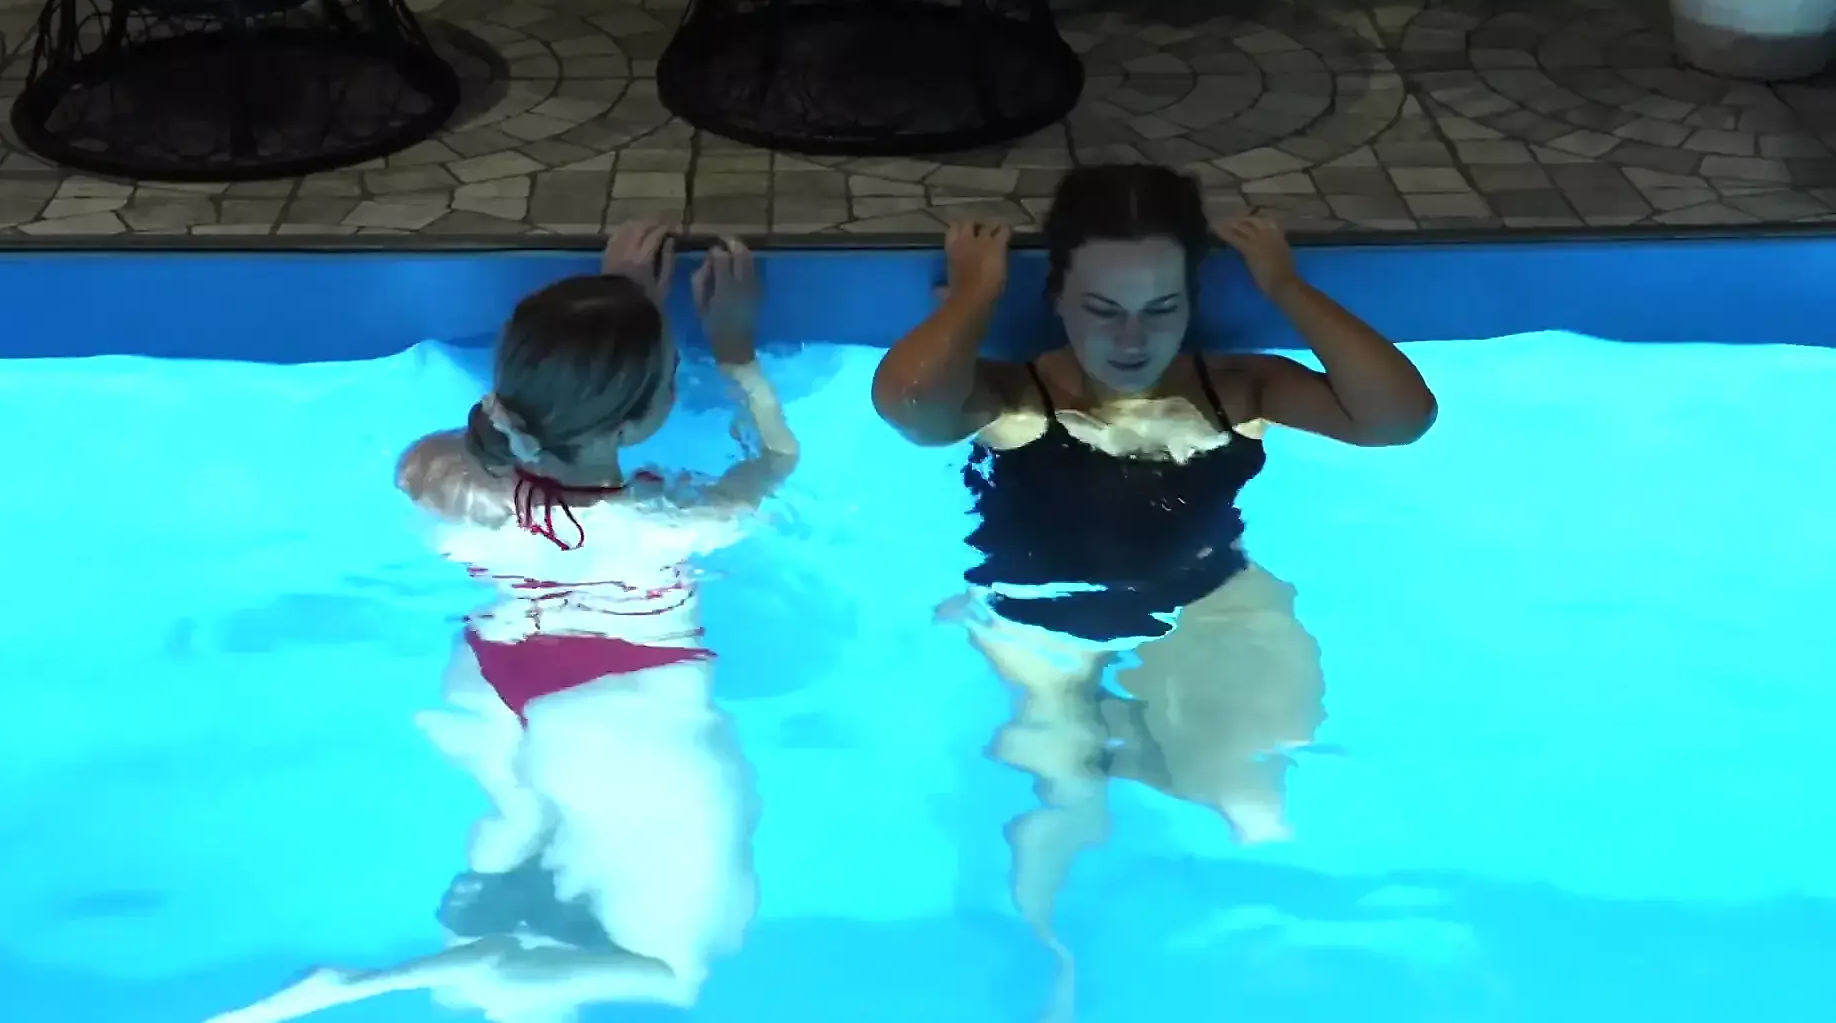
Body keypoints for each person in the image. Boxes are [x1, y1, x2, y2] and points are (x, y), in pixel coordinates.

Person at [872, 165, 1436, 1022]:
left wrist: (1286, 287)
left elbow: (1399, 419)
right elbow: (911, 407)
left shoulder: (1234, 389)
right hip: (1041, 622)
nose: (1132, 339)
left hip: (1210, 605)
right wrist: (977, 294)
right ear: (1057, 296)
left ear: (1193, 298)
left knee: (1254, 803)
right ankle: (1054, 975)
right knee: (1062, 791)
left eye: (1161, 308)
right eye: (1103, 309)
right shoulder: (1016, 397)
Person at [206, 223, 799, 1023]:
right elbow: (777, 459)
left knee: (524, 817)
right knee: (674, 970)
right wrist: (735, 352)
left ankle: (491, 921)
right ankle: (371, 982)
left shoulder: (444, 487)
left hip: (491, 672)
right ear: (641, 419)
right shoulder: (676, 524)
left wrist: (612, 322)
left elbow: (472, 447)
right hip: (625, 705)